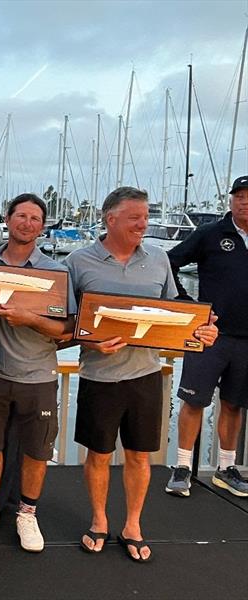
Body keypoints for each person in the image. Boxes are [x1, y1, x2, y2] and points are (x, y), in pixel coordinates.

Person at [66, 186, 218, 563]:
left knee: (139, 457)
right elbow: (68, 321)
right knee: (98, 455)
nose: (143, 223)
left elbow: (175, 313)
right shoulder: (78, 261)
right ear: (110, 218)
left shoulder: (159, 260)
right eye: (134, 217)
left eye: (146, 216)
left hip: (147, 375)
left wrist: (202, 329)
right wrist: (90, 340)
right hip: (98, 376)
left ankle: (132, 524)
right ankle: (99, 519)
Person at [0, 193, 76, 553]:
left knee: (37, 451)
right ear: (7, 220)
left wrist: (31, 320)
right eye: (20, 216)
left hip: (38, 375)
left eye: (35, 218)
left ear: (42, 226)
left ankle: (27, 514)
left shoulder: (56, 272)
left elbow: (67, 330)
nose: (27, 223)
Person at [165, 175, 248, 498]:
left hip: (246, 339)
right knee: (193, 400)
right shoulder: (211, 234)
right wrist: (187, 304)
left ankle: (226, 468)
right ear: (230, 201)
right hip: (207, 334)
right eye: (238, 196)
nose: (244, 201)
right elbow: (169, 262)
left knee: (233, 403)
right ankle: (182, 466)